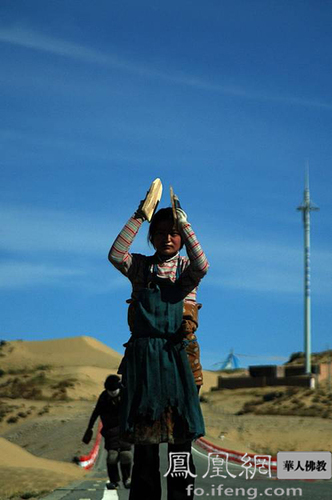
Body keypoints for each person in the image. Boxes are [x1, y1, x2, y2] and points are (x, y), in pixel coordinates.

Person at [108, 189, 209, 500]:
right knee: (146, 444)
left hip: (180, 359)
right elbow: (116, 254)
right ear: (151, 237)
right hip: (144, 363)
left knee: (180, 442)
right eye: (161, 233)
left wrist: (185, 223)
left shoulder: (186, 271)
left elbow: (202, 263)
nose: (168, 238)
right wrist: (140, 216)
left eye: (174, 234)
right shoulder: (140, 268)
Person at [82, 374, 132, 489]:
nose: (113, 392)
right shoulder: (104, 397)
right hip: (110, 432)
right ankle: (114, 481)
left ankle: (127, 479)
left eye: (115, 390)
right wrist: (89, 428)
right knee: (112, 456)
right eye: (110, 390)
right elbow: (96, 413)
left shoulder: (126, 395)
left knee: (126, 455)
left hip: (125, 431)